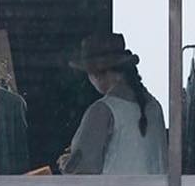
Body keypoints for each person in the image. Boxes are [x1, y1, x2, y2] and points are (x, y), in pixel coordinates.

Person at [57, 32, 168, 175]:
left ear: (96, 74)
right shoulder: (154, 107)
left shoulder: (103, 110)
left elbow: (82, 171)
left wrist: (66, 163)